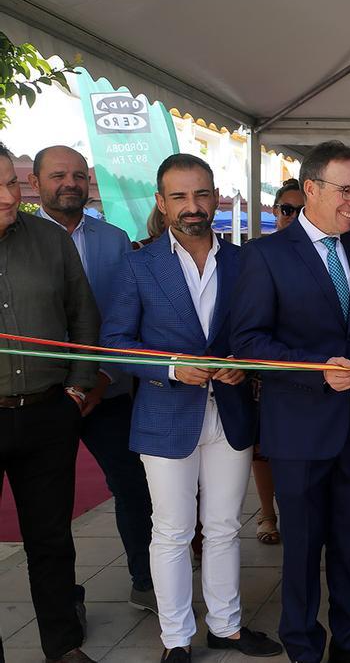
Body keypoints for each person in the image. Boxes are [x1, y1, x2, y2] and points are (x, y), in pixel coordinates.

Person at [101, 154, 282, 662]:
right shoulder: (139, 264)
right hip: (165, 414)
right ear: (162, 203)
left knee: (225, 526)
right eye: (178, 196)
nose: (192, 206)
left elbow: (261, 334)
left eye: (201, 194)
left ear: (216, 197)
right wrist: (171, 369)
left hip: (230, 412)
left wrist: (245, 366)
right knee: (174, 530)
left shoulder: (247, 261)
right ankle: (176, 640)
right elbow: (115, 343)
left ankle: (226, 627)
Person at [231, 140, 350, 663]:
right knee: (300, 550)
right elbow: (250, 344)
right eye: (346, 191)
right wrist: (316, 371)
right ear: (311, 190)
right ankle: (303, 647)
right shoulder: (265, 255)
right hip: (299, 428)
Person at [29, 145, 157, 615]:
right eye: (58, 175)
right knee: (49, 505)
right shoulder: (18, 239)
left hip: (109, 391)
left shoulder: (115, 239)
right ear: (35, 184)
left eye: (79, 175)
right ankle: (65, 602)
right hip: (42, 397)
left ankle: (145, 583)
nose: (70, 183)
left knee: (133, 488)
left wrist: (101, 377)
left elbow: (129, 317)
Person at [0, 141, 100, 663]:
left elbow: (83, 315)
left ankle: (63, 648)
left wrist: (78, 387)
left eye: (11, 183)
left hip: (47, 412)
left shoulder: (51, 240)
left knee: (52, 540)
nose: (8, 196)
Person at [247, 177, 305, 548]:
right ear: (274, 211)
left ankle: (294, 513)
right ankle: (268, 513)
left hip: (308, 373)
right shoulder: (258, 252)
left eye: (301, 210)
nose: (293, 216)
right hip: (267, 371)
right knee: (263, 449)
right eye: (287, 209)